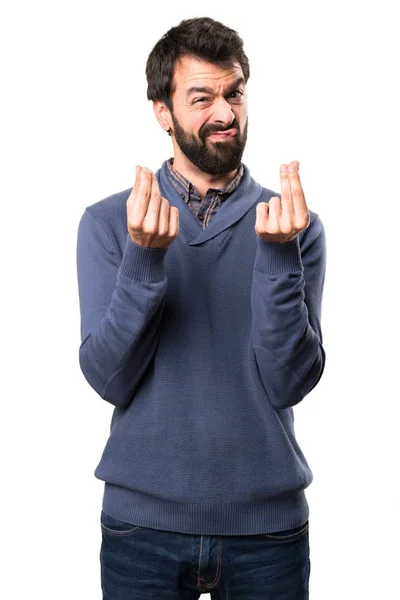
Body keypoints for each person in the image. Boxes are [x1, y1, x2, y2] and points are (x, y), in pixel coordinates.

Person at [77, 16, 326, 600]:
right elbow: (108, 378)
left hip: (268, 531)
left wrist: (276, 256)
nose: (225, 113)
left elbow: (291, 378)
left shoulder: (293, 226)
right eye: (201, 97)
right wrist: (144, 259)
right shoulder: (110, 223)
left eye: (234, 91)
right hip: (143, 528)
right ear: (162, 111)